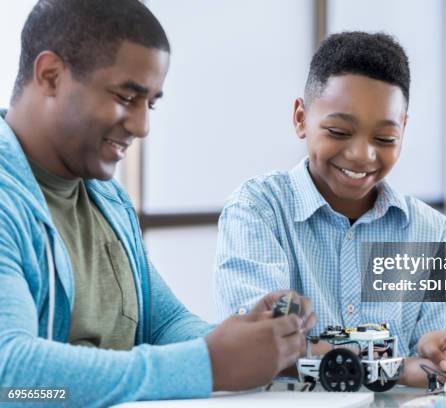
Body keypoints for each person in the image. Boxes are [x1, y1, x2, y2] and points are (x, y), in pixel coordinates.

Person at [0, 1, 314, 406]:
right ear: (51, 75)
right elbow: (11, 376)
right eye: (126, 97)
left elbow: (163, 322)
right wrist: (208, 364)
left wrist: (247, 339)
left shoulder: (106, 197)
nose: (142, 126)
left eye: (150, 104)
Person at [215, 31, 446, 386]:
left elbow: (439, 372)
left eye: (384, 139)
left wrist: (445, 357)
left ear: (404, 131)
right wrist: (396, 366)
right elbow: (259, 348)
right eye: (338, 131)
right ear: (301, 118)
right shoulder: (258, 210)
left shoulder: (432, 231)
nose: (362, 155)